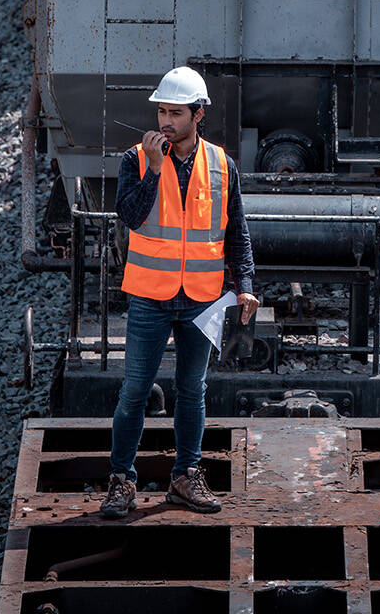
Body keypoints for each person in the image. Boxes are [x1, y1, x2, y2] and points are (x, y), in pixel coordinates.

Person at [101, 65, 259, 519]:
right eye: (161, 112)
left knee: (192, 389)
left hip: (203, 298)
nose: (165, 122)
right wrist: (153, 170)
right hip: (151, 295)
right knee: (134, 390)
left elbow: (237, 234)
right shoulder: (136, 159)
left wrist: (244, 286)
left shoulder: (221, 165)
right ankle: (121, 482)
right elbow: (129, 217)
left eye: (175, 112)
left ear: (198, 113)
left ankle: (186, 477)